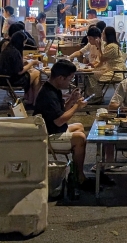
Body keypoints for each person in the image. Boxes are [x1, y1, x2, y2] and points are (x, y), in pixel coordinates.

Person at [34, 60, 92, 189]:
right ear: (60, 78)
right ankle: (79, 176)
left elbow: (59, 113)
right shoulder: (48, 95)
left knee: (79, 127)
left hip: (51, 127)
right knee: (80, 138)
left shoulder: (53, 89)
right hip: (47, 134)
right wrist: (76, 106)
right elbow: (59, 120)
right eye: (69, 79)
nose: (70, 82)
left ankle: (76, 170)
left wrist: (71, 100)